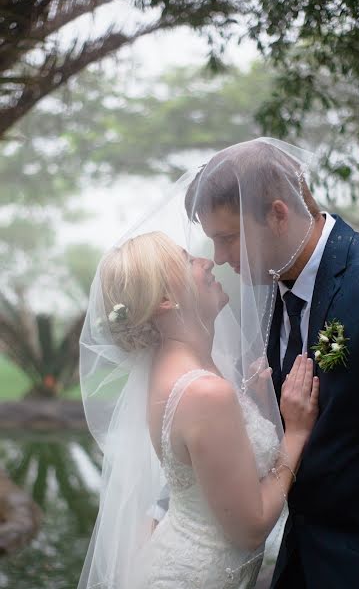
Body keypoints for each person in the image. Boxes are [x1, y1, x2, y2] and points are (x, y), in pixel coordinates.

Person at [184, 138, 359, 589]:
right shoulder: (264, 286)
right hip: (299, 560)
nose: (220, 258)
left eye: (228, 238)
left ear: (278, 214)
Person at [78, 229, 319, 589]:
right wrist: (297, 433)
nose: (208, 262)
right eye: (189, 261)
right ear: (163, 299)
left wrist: (258, 403)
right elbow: (251, 529)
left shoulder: (175, 368)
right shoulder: (203, 392)